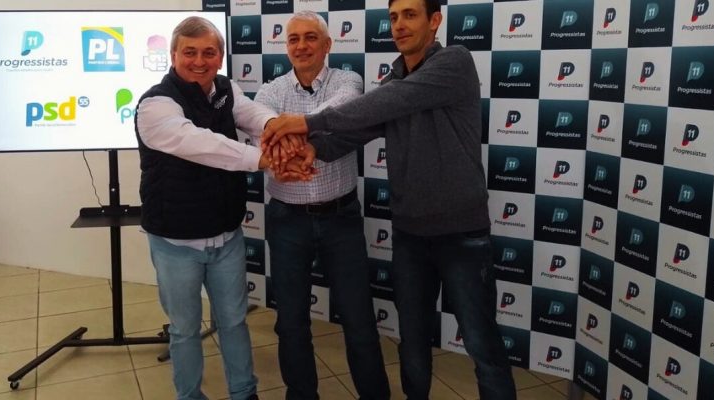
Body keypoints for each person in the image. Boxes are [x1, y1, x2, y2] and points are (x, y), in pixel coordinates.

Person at [261, 0, 517, 398]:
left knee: (483, 346)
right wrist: (314, 149)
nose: (399, 25)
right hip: (410, 235)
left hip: (461, 235)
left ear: (435, 20)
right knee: (412, 344)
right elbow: (361, 127)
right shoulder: (395, 77)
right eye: (394, 17)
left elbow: (386, 103)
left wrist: (307, 123)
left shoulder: (454, 61)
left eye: (410, 15)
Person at [134, 16, 277, 400]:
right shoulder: (155, 104)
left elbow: (251, 115)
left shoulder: (226, 88)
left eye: (209, 53)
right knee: (184, 330)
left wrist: (277, 129)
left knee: (234, 322)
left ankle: (244, 393)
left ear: (220, 56)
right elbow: (199, 144)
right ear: (173, 55)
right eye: (190, 52)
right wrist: (260, 159)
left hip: (226, 235)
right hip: (175, 242)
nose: (199, 61)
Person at [252, 11, 390, 400]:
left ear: (327, 45)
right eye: (294, 39)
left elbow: (342, 112)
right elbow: (261, 123)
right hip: (286, 220)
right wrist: (290, 134)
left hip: (340, 218)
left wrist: (292, 127)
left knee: (359, 320)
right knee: (291, 322)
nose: (301, 46)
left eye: (311, 37)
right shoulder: (270, 91)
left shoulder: (347, 81)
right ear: (286, 47)